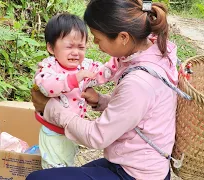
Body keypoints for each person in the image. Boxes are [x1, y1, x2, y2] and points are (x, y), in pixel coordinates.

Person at [28, 0, 177, 179]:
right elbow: (139, 110)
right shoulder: (157, 52)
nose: (97, 45)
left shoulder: (139, 82)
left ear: (123, 38)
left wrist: (50, 108)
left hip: (136, 174)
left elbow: (97, 137)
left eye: (98, 39)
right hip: (135, 160)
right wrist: (102, 101)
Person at [33, 13, 117, 169]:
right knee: (54, 169)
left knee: (68, 165)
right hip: (53, 133)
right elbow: (47, 87)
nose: (75, 52)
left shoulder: (84, 65)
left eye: (81, 47)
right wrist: (74, 78)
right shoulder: (49, 68)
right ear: (51, 48)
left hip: (72, 131)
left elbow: (102, 73)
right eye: (69, 46)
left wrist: (116, 63)